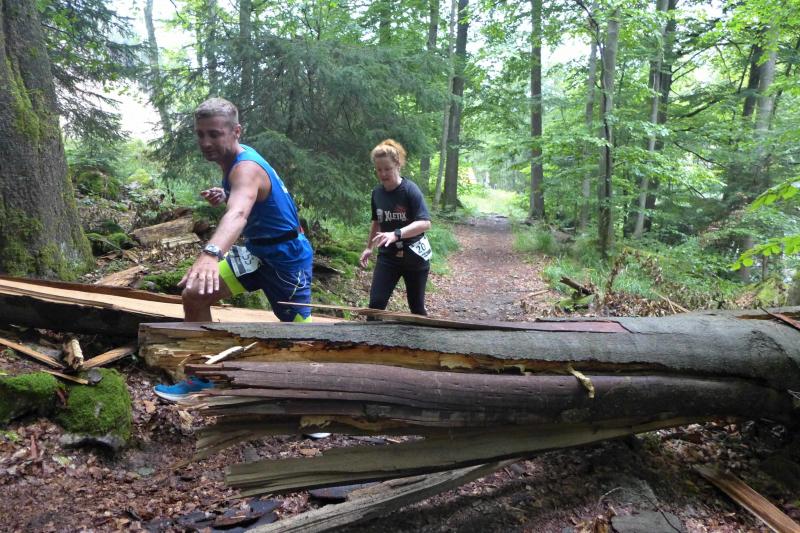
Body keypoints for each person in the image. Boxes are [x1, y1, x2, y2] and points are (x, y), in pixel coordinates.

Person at [154, 97, 314, 402]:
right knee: (195, 294)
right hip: (255, 254)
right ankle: (205, 377)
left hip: (287, 258)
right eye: (201, 134)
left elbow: (239, 213)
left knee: (300, 336)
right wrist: (225, 193)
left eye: (214, 134)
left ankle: (310, 396)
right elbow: (248, 199)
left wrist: (210, 254)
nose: (206, 142)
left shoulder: (245, 168)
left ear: (236, 131)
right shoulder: (233, 163)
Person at [359, 139, 432, 315]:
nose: (383, 174)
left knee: (417, 308)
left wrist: (396, 233)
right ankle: (370, 334)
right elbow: (376, 221)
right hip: (388, 256)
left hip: (414, 255)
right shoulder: (377, 193)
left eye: (387, 169)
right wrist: (369, 247)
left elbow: (425, 223)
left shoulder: (410, 190)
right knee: (375, 306)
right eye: (379, 170)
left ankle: (422, 333)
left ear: (397, 165)